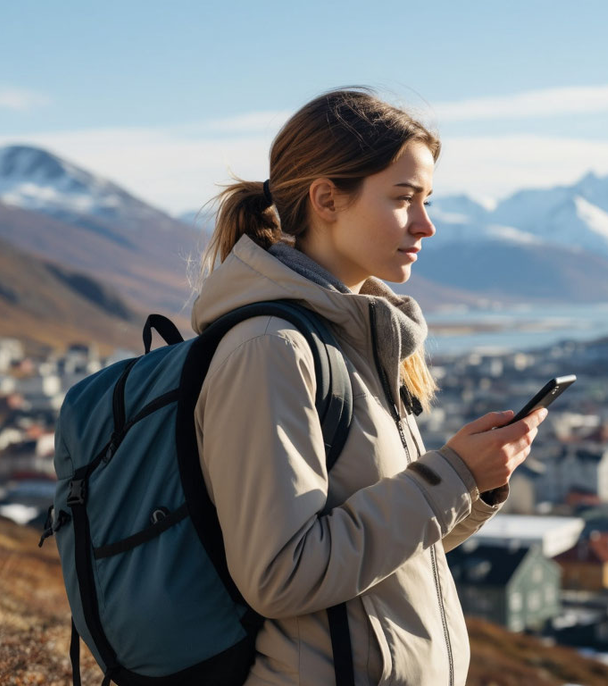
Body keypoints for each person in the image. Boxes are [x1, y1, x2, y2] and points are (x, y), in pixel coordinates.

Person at [191, 87, 547, 686]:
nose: (427, 225)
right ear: (328, 198)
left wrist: (472, 484)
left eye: (427, 200)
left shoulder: (354, 341)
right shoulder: (272, 351)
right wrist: (450, 476)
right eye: (405, 199)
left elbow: (377, 558)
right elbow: (283, 573)